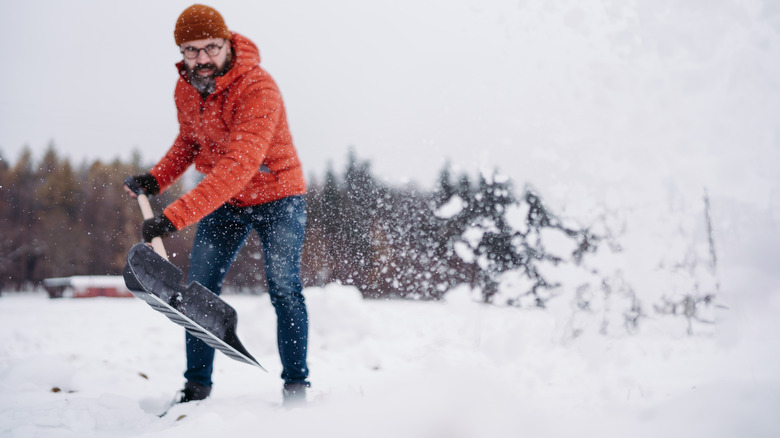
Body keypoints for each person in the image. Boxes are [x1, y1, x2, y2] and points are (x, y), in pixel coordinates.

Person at [124, 4, 309, 405]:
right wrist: (155, 179)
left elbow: (237, 167)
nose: (202, 58)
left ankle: (296, 387)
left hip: (279, 195)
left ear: (228, 43)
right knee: (197, 291)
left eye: (210, 47)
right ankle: (196, 388)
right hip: (228, 201)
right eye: (191, 50)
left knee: (284, 288)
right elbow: (190, 142)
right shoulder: (186, 88)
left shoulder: (259, 88)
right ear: (181, 52)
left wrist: (172, 218)